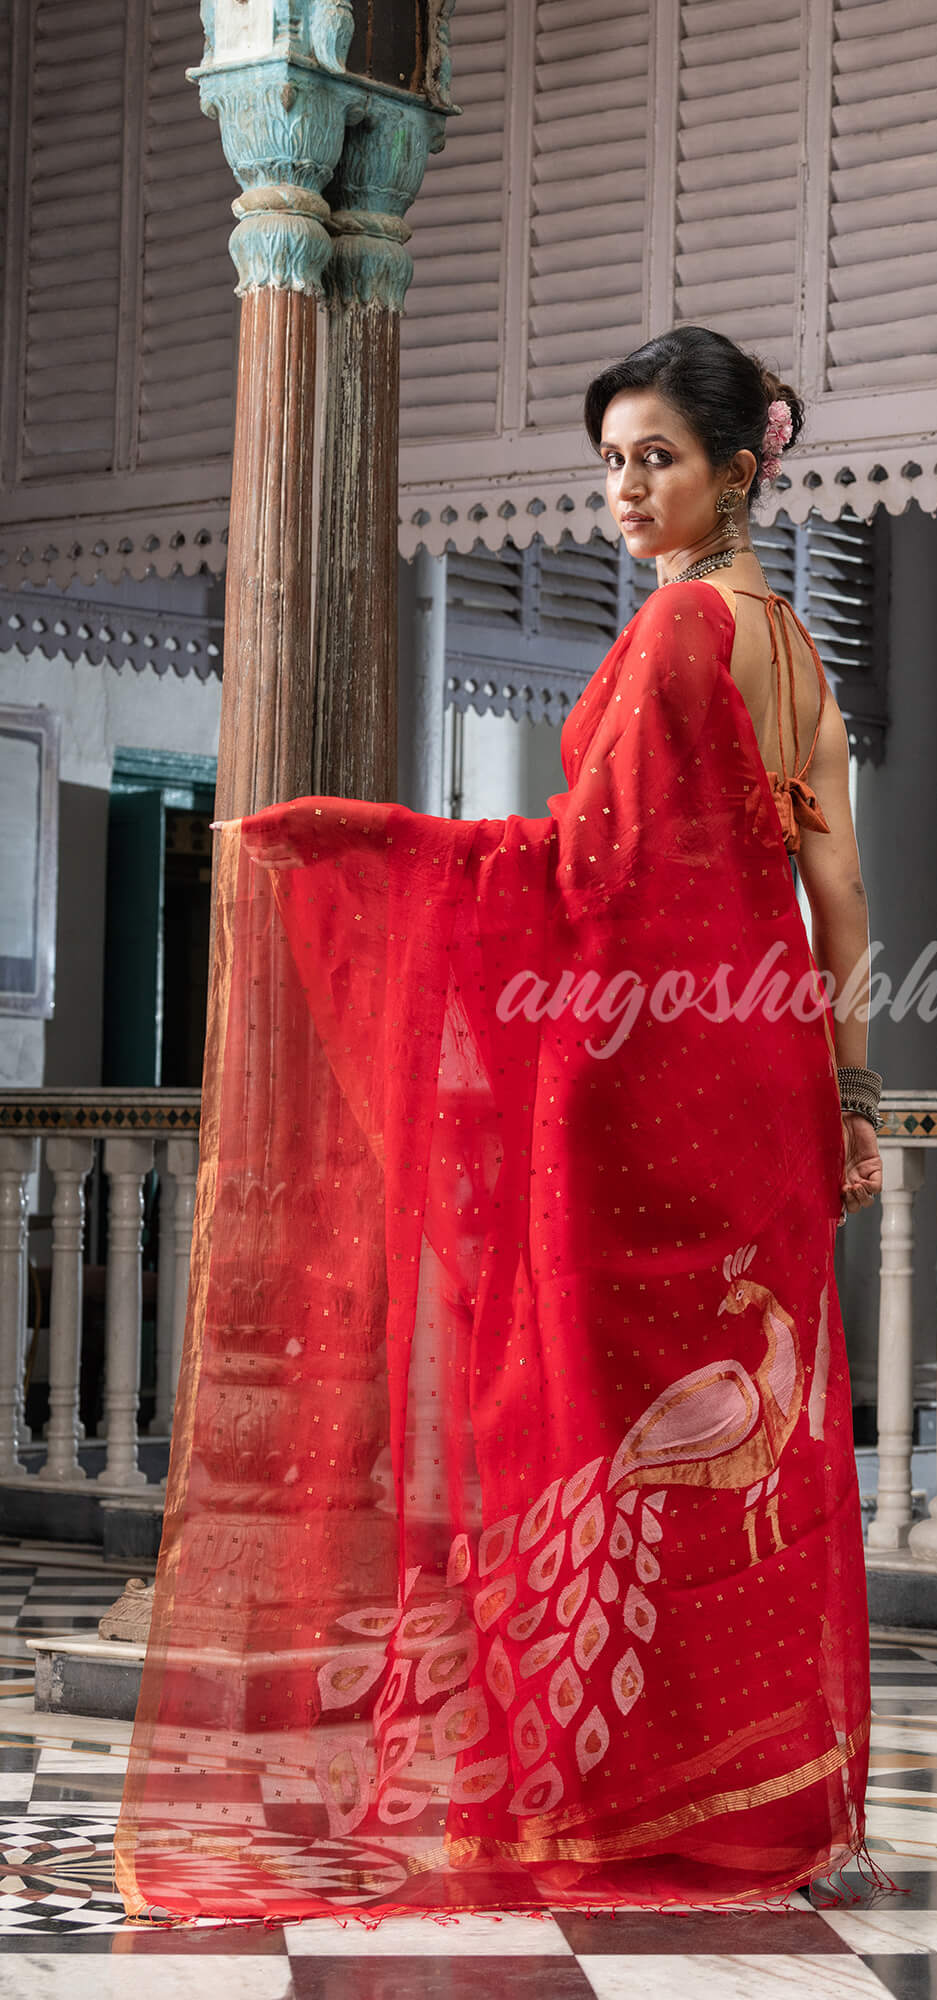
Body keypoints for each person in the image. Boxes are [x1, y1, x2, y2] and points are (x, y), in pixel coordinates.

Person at [116, 326, 894, 1921]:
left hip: (648, 1088)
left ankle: (607, 1797)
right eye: (611, 460)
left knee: (589, 1426)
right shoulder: (794, 648)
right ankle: (733, 1794)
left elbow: (586, 885)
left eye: (656, 458)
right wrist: (853, 1093)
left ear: (740, 468)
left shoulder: (684, 633)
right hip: (755, 1081)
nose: (625, 489)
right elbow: (839, 898)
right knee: (729, 1451)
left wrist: (380, 855)